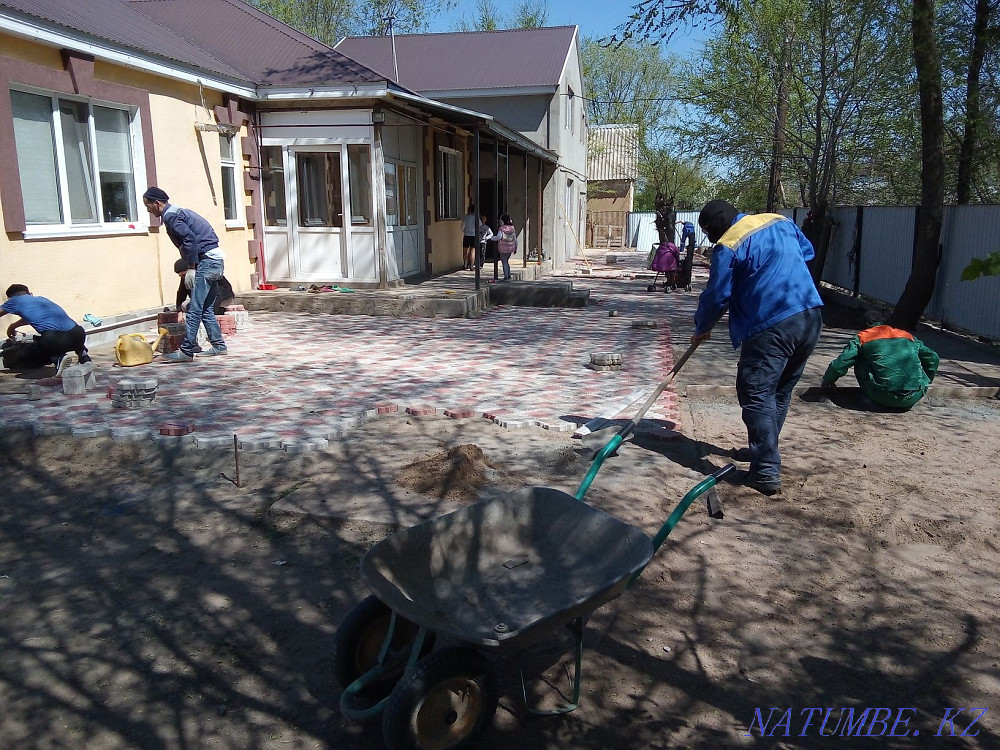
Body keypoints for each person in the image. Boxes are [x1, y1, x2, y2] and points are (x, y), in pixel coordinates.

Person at [692, 200, 823, 496]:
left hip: (772, 323)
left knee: (757, 392)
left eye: (709, 231)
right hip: (810, 315)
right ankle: (763, 453)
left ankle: (765, 470)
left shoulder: (730, 243)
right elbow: (807, 253)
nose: (711, 237)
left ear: (719, 223)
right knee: (778, 391)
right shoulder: (780, 221)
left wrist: (702, 327)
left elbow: (717, 295)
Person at [142, 187, 227, 362]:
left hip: (206, 261)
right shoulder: (179, 212)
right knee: (206, 308)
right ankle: (219, 346)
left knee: (195, 309)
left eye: (148, 205)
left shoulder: (172, 216)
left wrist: (191, 267)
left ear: (157, 203)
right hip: (216, 260)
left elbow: (189, 239)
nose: (147, 209)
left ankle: (186, 351)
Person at [822, 324, 939, 409]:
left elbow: (841, 363)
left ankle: (875, 393)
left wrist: (828, 380)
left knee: (859, 357)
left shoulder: (863, 337)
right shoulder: (907, 336)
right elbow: (933, 358)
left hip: (882, 396)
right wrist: (926, 380)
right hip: (914, 395)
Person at [0, 284, 91, 369]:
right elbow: (32, 317)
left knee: (23, 356)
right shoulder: (41, 299)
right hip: (78, 334)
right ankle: (83, 355)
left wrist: (12, 326)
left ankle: (57, 358)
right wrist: (13, 326)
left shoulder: (14, 301)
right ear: (30, 293)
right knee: (66, 335)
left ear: (10, 298)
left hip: (55, 339)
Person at [496, 214, 517, 282]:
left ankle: (506, 276)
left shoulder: (501, 229)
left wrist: (492, 238)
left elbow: (499, 237)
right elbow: (515, 239)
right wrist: (515, 247)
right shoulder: (512, 228)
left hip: (502, 248)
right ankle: (509, 275)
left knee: (504, 262)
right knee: (507, 262)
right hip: (510, 248)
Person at [461, 204, 478, 270]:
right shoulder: (476, 217)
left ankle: (465, 264)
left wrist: (464, 230)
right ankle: (471, 265)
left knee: (465, 250)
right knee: (472, 251)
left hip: (466, 235)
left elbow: (462, 226)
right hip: (473, 235)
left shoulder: (466, 217)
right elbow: (480, 226)